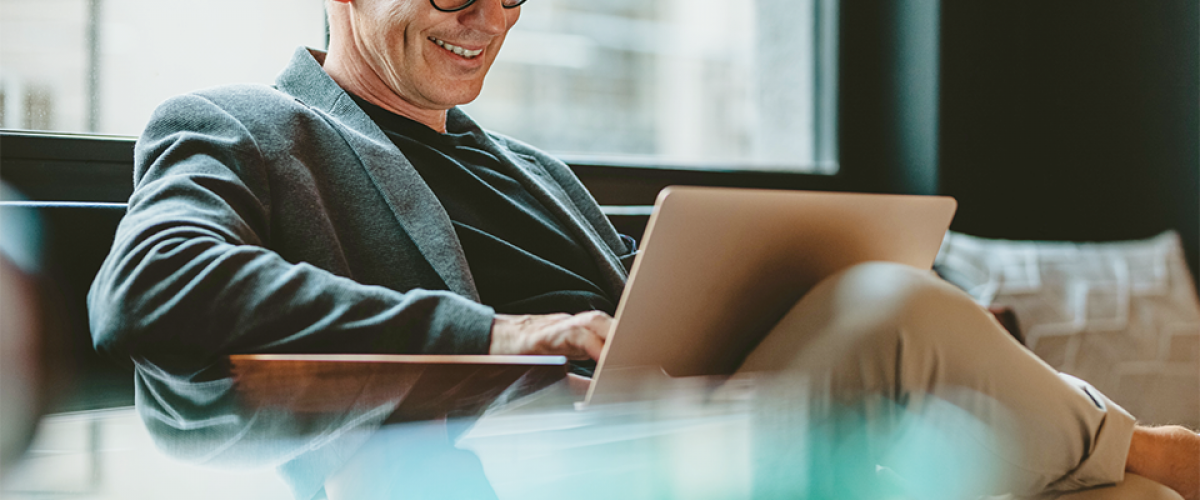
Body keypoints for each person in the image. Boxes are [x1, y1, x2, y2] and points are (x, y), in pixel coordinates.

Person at [86, 0, 1199, 498]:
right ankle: (1137, 440)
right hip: (493, 461)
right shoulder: (238, 123)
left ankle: (1120, 462)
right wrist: (502, 330)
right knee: (888, 315)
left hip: (683, 427)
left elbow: (664, 301)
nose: (487, 20)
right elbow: (150, 284)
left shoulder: (535, 169)